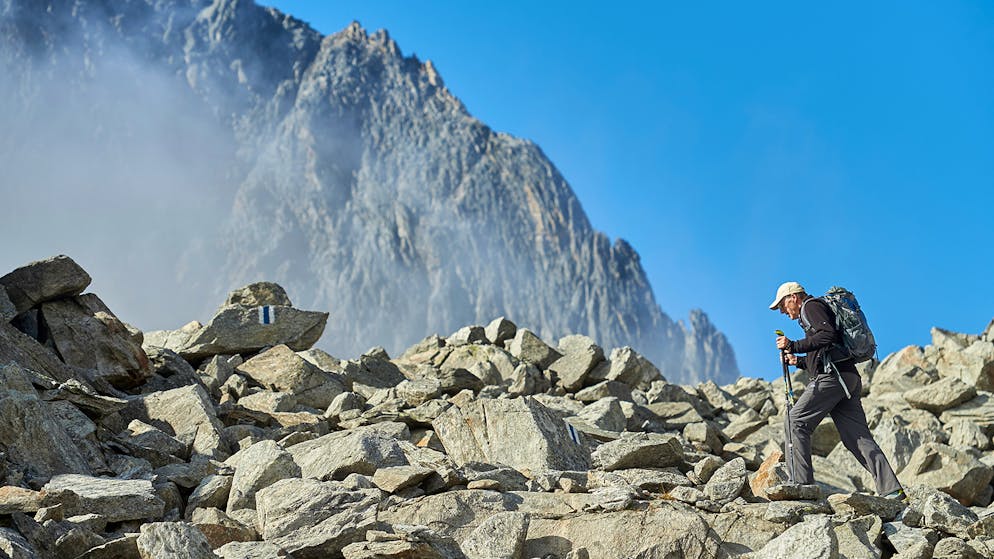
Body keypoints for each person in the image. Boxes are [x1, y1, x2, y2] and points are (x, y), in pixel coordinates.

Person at [769, 281, 905, 500]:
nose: (783, 311)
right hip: (847, 378)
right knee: (857, 438)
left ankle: (801, 484)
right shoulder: (816, 310)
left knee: (795, 421)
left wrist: (792, 344)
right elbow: (825, 345)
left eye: (783, 306)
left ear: (793, 297)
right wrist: (799, 361)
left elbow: (827, 335)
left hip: (833, 379)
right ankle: (891, 489)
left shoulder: (809, 307)